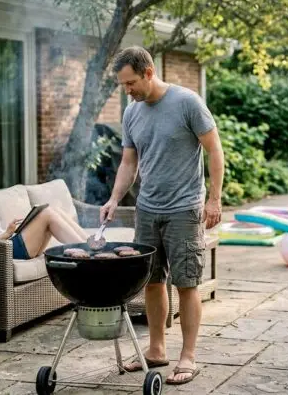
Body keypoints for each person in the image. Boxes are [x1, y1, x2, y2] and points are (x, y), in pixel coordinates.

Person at [100, 46, 224, 385]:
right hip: (148, 209)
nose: (128, 91)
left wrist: (214, 199)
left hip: (184, 208)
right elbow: (129, 162)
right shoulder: (132, 112)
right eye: (123, 85)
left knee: (186, 282)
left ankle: (189, 356)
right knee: (152, 282)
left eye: (131, 83)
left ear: (149, 72)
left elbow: (214, 149)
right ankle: (156, 349)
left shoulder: (187, 102)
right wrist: (114, 198)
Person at [0, 151, 88, 259]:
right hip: (2, 252)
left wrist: (12, 231)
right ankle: (89, 251)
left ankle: (90, 244)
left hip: (10, 242)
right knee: (47, 214)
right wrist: (6, 234)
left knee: (53, 209)